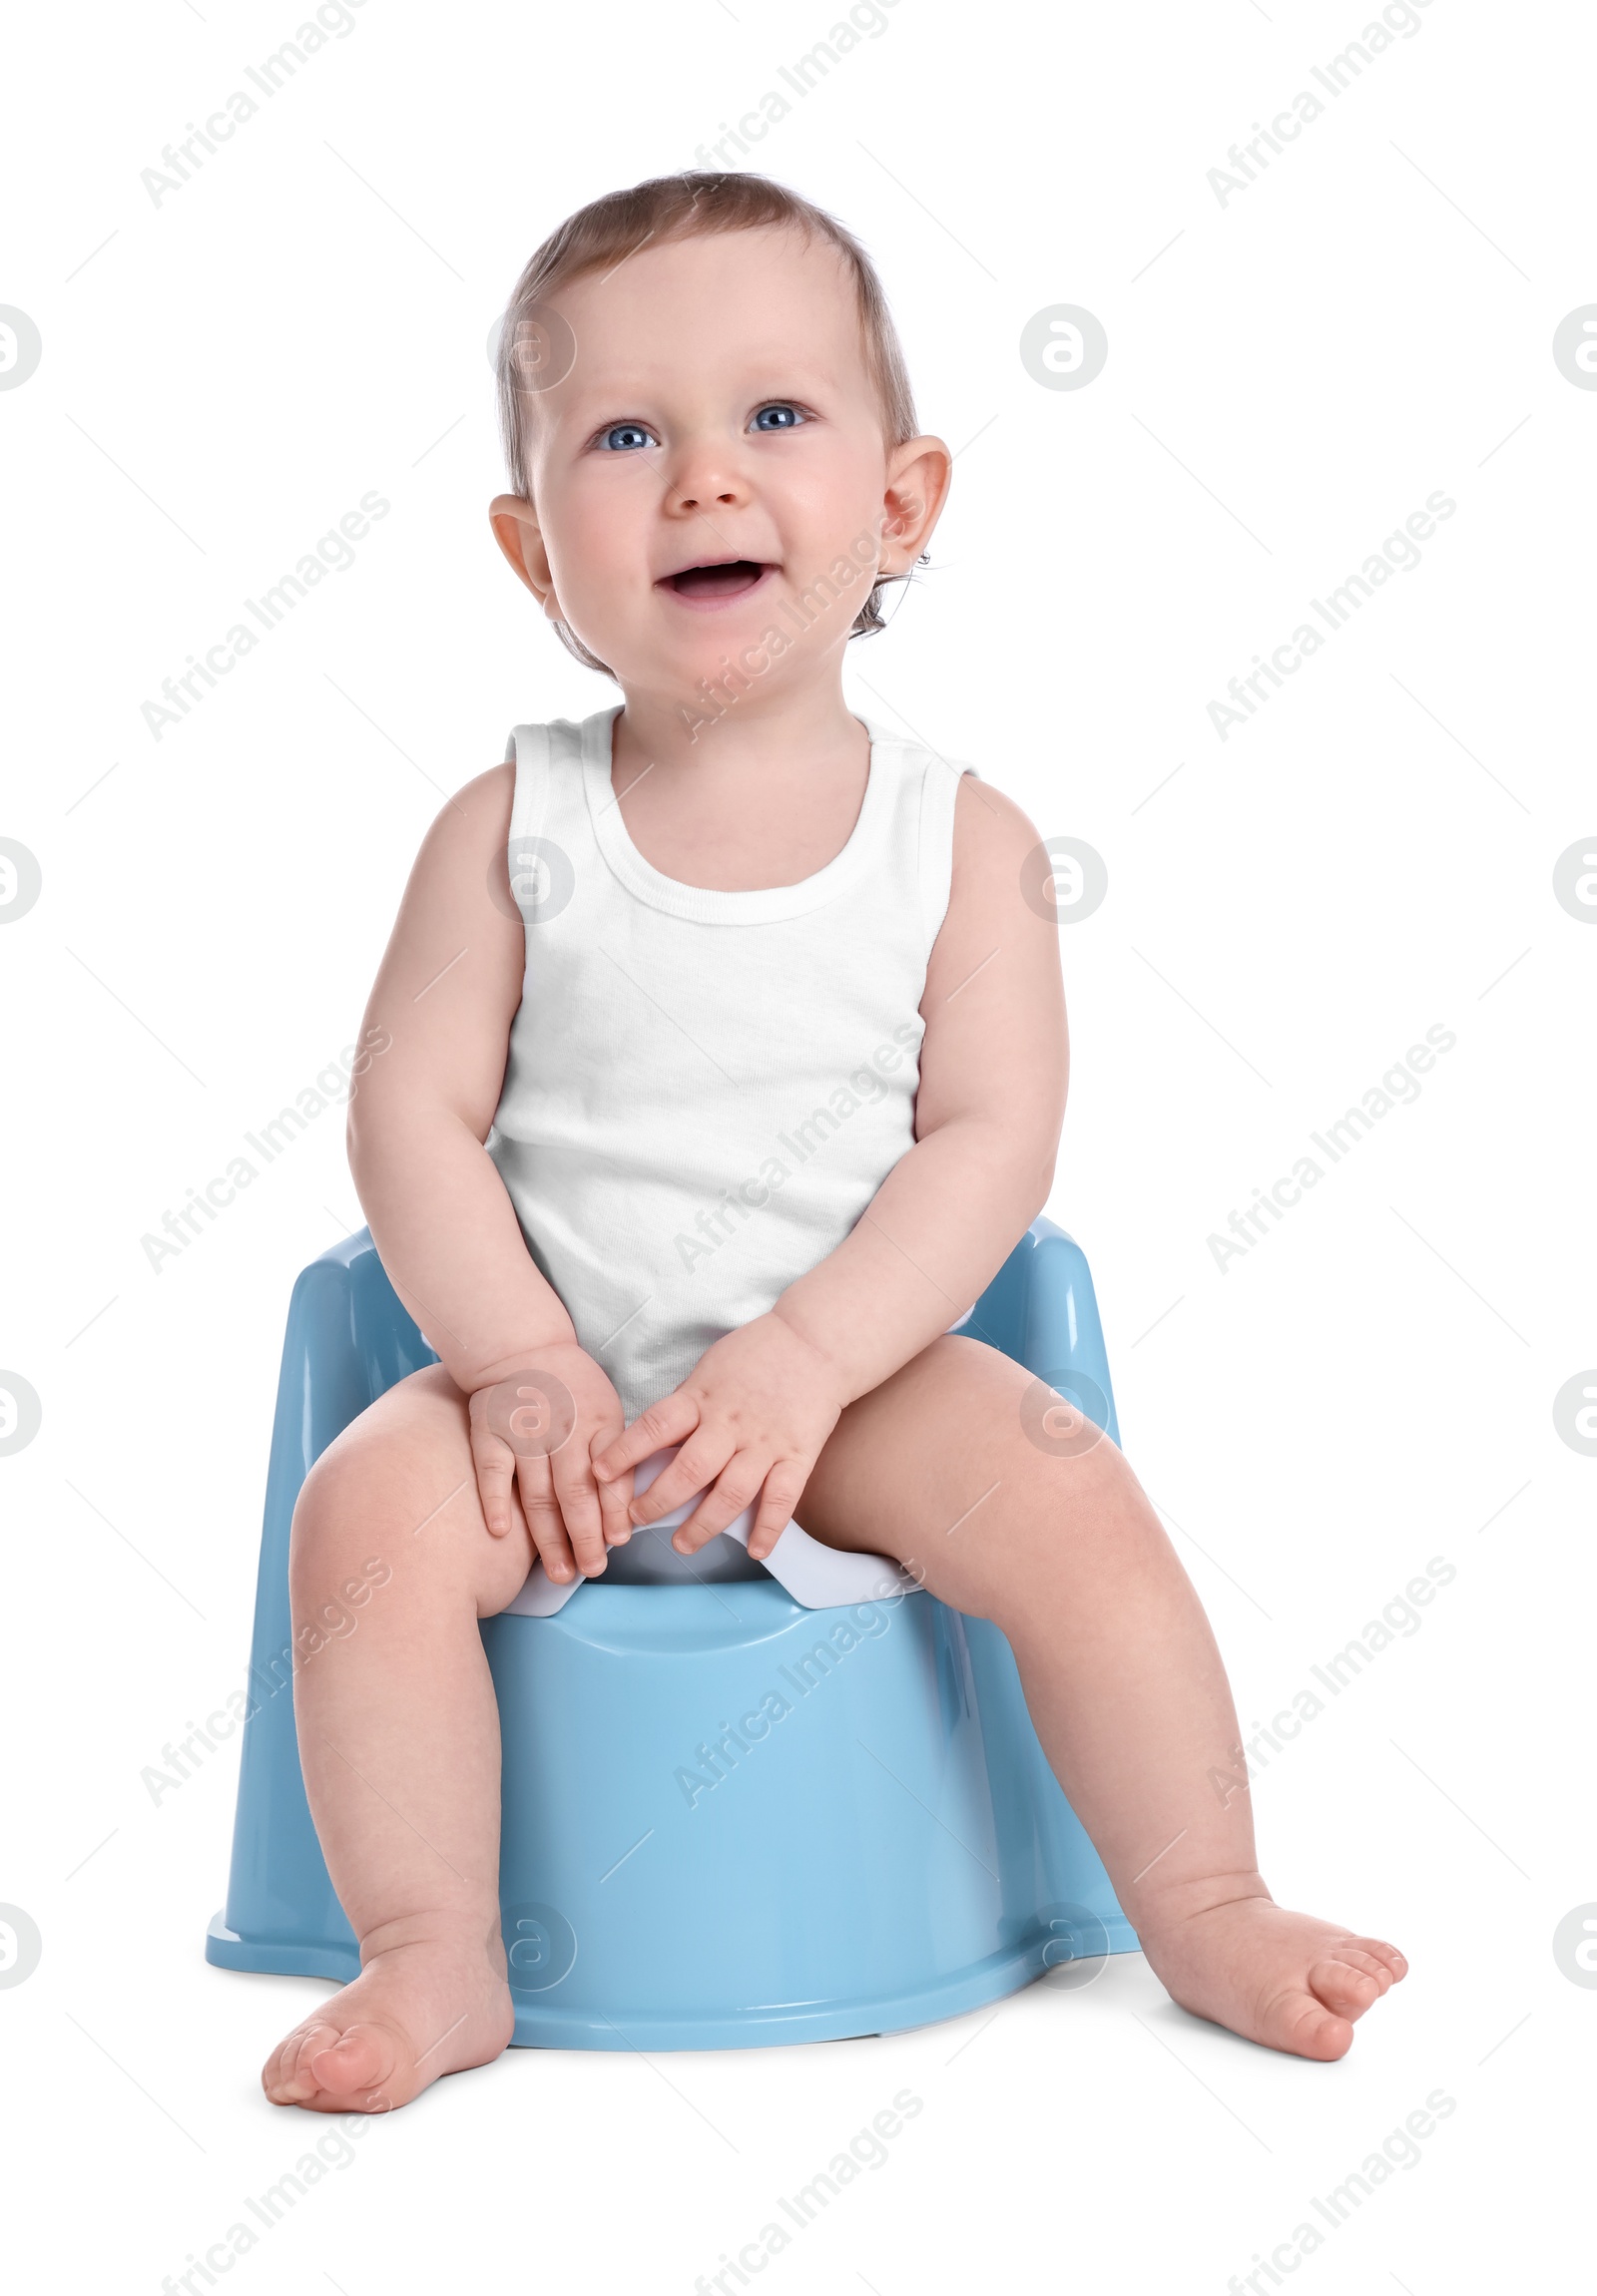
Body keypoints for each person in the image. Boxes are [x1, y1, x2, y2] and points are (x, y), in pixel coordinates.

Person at [263, 171, 1405, 2114]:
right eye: (628, 436)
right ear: (535, 550)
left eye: (773, 415)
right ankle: (435, 1949)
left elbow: (986, 1145)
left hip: (850, 1385)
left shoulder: (956, 842)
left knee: (1069, 1495)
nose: (704, 478)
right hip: (539, 1402)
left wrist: (806, 1354)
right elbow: (410, 1113)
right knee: (356, 1530)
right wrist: (515, 1360)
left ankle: (1202, 1896)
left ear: (898, 504)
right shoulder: (505, 824)